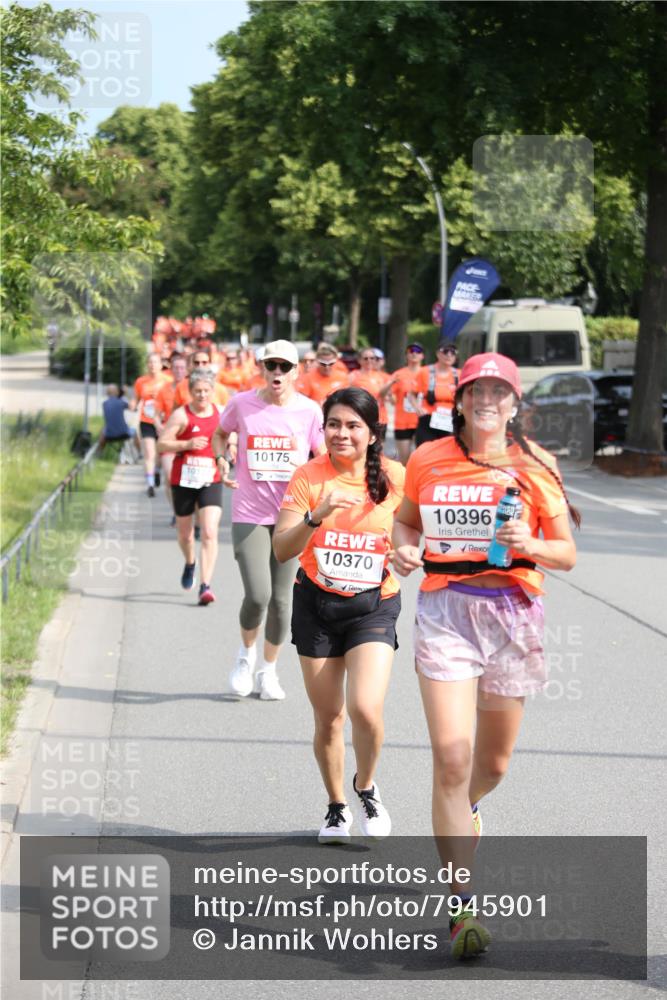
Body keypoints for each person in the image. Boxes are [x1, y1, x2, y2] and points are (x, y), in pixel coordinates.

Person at [392, 352, 579, 959]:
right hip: (446, 611)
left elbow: (566, 553)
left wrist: (531, 544)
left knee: (491, 765)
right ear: (462, 399)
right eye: (477, 390)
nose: (488, 400)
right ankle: (461, 908)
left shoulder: (536, 464)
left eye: (499, 391)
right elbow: (405, 524)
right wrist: (405, 550)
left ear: (515, 403)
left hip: (512, 617)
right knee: (451, 757)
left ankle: (468, 804)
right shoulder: (428, 458)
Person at [274, 387, 405, 842]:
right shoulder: (308, 476)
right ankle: (336, 806)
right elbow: (281, 548)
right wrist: (316, 516)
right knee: (329, 717)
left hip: (373, 604)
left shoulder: (394, 477)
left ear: (372, 434)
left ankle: (365, 786)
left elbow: (412, 531)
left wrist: (407, 551)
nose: (342, 433)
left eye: (353, 425)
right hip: (317, 605)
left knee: (365, 709)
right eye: (333, 424)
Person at [212, 340, 325, 701]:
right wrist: (221, 460)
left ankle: (268, 670)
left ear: (296, 371)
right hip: (250, 513)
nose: (277, 372)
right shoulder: (241, 403)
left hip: (291, 515)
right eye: (271, 365)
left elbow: (323, 458)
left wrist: (311, 475)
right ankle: (245, 656)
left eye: (284, 367)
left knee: (281, 600)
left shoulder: (309, 411)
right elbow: (220, 434)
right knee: (258, 594)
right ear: (262, 368)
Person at [157, 369, 224, 606]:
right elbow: (161, 444)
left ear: (213, 391)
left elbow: (231, 436)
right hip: (183, 480)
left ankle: (205, 585)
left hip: (210, 479)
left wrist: (231, 449)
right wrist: (187, 443)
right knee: (185, 535)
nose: (202, 395)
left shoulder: (221, 413)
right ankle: (190, 562)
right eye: (197, 391)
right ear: (190, 391)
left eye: (206, 391)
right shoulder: (181, 415)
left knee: (209, 532)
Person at [132, 353, 172, 496]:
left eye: (155, 362)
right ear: (147, 365)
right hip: (147, 420)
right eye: (150, 362)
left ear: (161, 365)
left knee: (160, 454)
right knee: (149, 452)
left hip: (163, 422)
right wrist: (132, 405)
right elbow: (136, 399)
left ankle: (156, 471)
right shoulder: (141, 381)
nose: (152, 365)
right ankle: (150, 485)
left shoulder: (168, 380)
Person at [383, 342, 425, 465]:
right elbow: (390, 396)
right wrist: (391, 397)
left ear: (422, 356)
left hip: (423, 422)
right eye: (411, 351)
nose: (414, 353)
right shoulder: (399, 374)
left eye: (418, 351)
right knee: (404, 460)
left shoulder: (427, 373)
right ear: (406, 355)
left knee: (421, 459)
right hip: (403, 422)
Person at [410, 341, 459, 447]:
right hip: (428, 417)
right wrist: (417, 407)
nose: (449, 355)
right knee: (425, 450)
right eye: (445, 351)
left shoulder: (459, 374)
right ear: (438, 354)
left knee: (448, 451)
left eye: (453, 352)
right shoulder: (425, 372)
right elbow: (411, 394)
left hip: (450, 419)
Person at [349, 348, 389, 438]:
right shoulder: (353, 376)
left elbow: (387, 397)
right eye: (365, 358)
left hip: (380, 417)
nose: (369, 361)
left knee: (379, 445)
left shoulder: (381, 376)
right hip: (361, 417)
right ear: (359, 360)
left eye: (372, 358)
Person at [304, 343, 350, 407]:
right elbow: (302, 402)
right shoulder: (308, 377)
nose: (327, 367)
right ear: (317, 361)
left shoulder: (343, 376)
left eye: (331, 363)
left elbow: (348, 399)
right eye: (323, 363)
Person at [99, 384, 136, 457]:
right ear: (117, 392)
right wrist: (127, 394)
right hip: (123, 433)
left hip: (109, 435)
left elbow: (114, 402)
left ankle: (99, 452)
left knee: (102, 430)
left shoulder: (104, 404)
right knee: (134, 431)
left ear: (107, 393)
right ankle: (140, 454)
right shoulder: (121, 402)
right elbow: (133, 408)